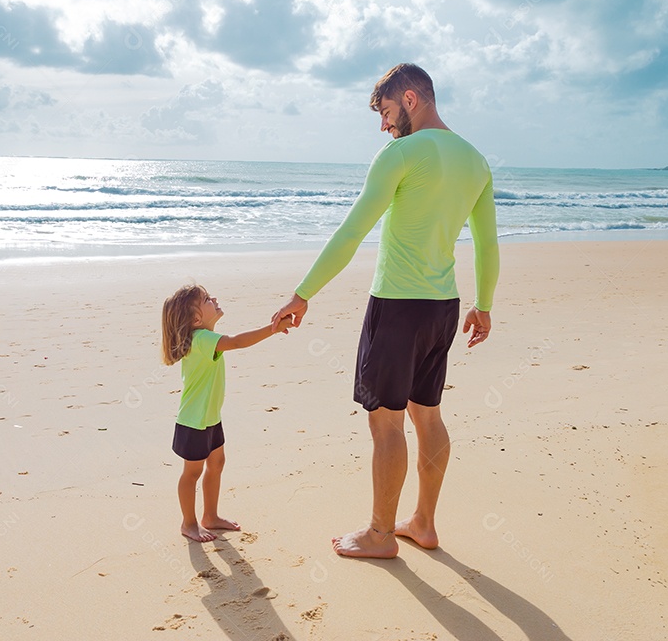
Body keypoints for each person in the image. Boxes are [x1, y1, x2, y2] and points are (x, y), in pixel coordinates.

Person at [271, 63, 499, 559]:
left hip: (397, 306)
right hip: (443, 308)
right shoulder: (476, 161)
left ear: (411, 99)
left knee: (387, 423)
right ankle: (423, 523)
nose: (384, 125)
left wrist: (303, 293)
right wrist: (483, 305)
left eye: (387, 112)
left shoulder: (401, 154)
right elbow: (487, 245)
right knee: (428, 415)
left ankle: (380, 534)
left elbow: (353, 231)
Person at [162, 284, 295, 542]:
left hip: (210, 418)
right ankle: (188, 523)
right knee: (192, 474)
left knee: (217, 464)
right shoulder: (201, 339)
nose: (213, 298)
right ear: (196, 319)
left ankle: (210, 516)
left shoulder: (204, 339)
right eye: (206, 299)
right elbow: (236, 342)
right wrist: (273, 329)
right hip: (194, 421)